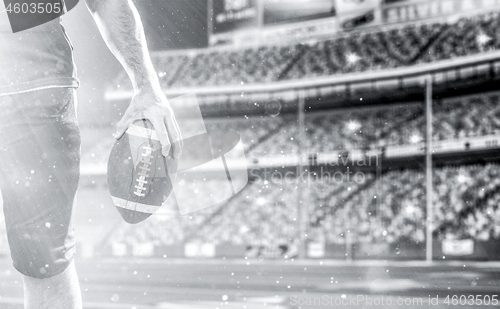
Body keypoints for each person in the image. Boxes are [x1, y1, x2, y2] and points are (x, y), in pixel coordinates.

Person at [0, 0, 182, 308]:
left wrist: (148, 85)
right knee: (45, 261)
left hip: (32, 85)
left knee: (44, 261)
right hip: (35, 84)